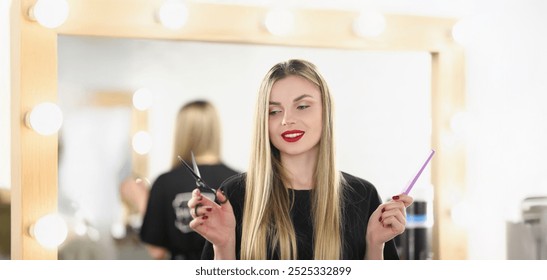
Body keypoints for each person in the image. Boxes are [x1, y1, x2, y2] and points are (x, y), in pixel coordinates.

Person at [187, 59, 413, 260]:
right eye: (274, 111)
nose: (287, 120)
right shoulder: (235, 194)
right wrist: (223, 246)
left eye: (302, 106)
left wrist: (375, 245)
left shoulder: (362, 195)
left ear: (326, 112)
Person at [138, 100, 239, 260]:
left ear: (181, 133)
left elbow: (157, 251)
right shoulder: (239, 181)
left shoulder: (164, 183)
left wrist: (140, 202)